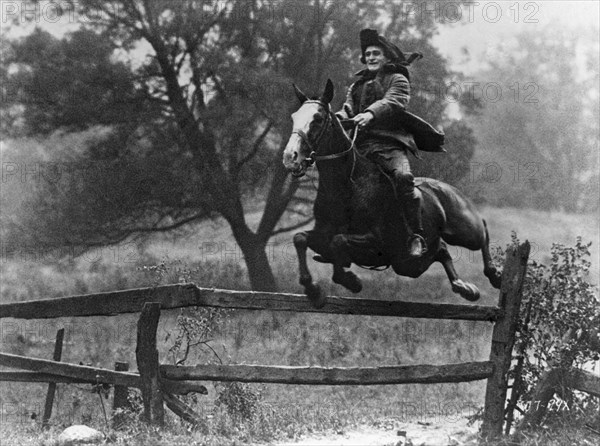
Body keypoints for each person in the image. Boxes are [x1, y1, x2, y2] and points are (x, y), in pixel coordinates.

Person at [335, 29, 444, 258]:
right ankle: (338, 234)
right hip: (361, 147)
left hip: (390, 146)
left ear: (386, 57)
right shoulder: (356, 87)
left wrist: (370, 114)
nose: (372, 57)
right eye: (368, 54)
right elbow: (348, 108)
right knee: (335, 178)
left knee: (404, 178)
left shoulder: (398, 79)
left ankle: (417, 235)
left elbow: (393, 101)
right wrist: (338, 117)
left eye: (376, 53)